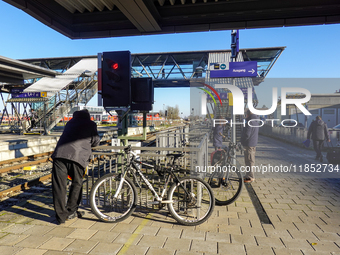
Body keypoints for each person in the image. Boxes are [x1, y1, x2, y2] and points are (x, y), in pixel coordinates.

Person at [51, 109, 100, 225]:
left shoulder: (70, 122)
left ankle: (60, 217)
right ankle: (71, 211)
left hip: (60, 155)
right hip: (77, 158)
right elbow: (96, 142)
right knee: (77, 183)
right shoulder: (91, 124)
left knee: (59, 186)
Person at [241, 109, 259, 183]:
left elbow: (247, 134)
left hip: (249, 144)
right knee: (249, 160)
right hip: (253, 143)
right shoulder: (256, 122)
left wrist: (242, 140)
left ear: (248, 114)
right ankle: (247, 175)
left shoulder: (249, 122)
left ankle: (251, 177)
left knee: (249, 161)